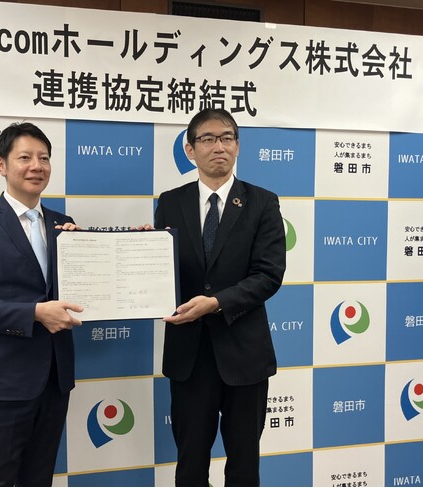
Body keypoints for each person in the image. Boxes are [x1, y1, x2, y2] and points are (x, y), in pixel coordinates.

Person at [154, 108, 286, 486]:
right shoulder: (171, 202)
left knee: (244, 465)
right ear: (190, 150)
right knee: (190, 463)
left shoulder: (262, 202)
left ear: (238, 146)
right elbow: (164, 269)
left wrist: (216, 303)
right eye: (208, 139)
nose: (219, 147)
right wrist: (146, 250)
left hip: (244, 355)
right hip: (189, 356)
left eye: (227, 138)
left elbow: (268, 275)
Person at [0, 122, 84, 487]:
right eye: (25, 157)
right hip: (3, 384)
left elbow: (81, 291)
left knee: (39, 480)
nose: (36, 166)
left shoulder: (64, 225)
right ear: (1, 164)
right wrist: (35, 314)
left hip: (55, 380)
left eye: (44, 158)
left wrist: (124, 249)